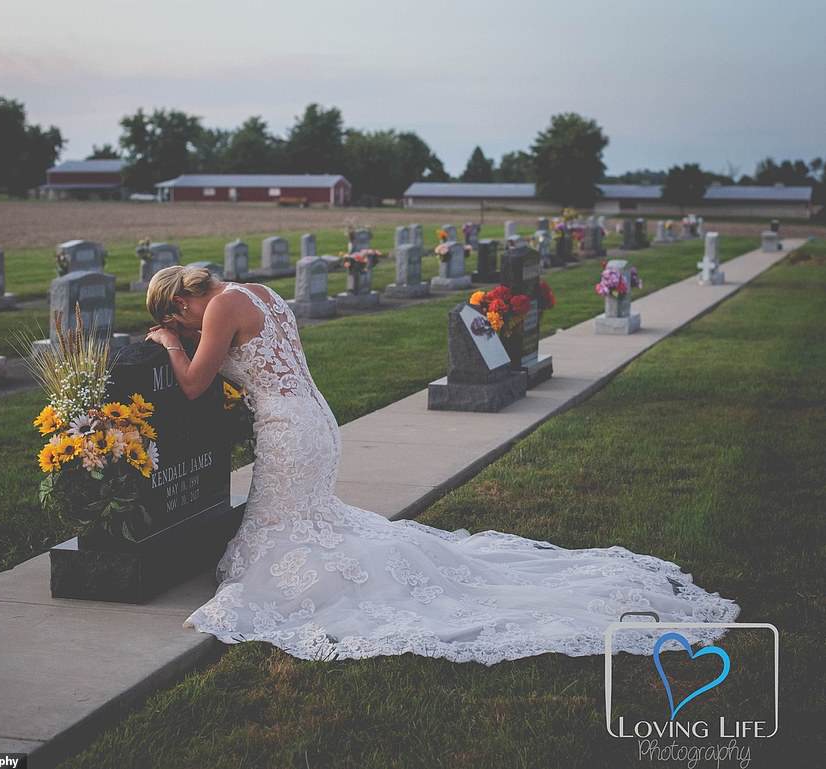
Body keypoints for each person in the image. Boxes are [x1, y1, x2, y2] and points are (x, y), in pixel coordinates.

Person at [145, 266, 739, 664]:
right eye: (182, 329)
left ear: (179, 299)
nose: (190, 328)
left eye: (182, 319)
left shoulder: (219, 307)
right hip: (311, 415)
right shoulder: (255, 291)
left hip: (287, 427)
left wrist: (169, 346)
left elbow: (195, 383)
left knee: (292, 526)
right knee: (306, 518)